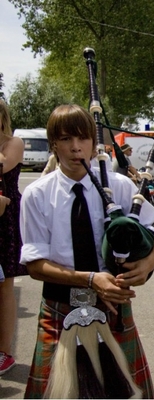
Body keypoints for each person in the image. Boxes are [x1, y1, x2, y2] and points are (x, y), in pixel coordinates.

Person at [20, 104, 154, 397]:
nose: (76, 148)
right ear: (54, 144)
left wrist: (147, 264)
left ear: (93, 141)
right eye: (66, 139)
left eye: (83, 138)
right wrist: (91, 280)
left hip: (113, 310)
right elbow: (35, 266)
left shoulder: (120, 187)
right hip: (60, 307)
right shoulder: (37, 195)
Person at [0, 99, 25, 376]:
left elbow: (3, 166)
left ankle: (3, 352)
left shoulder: (13, 142)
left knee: (5, 282)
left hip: (6, 218)